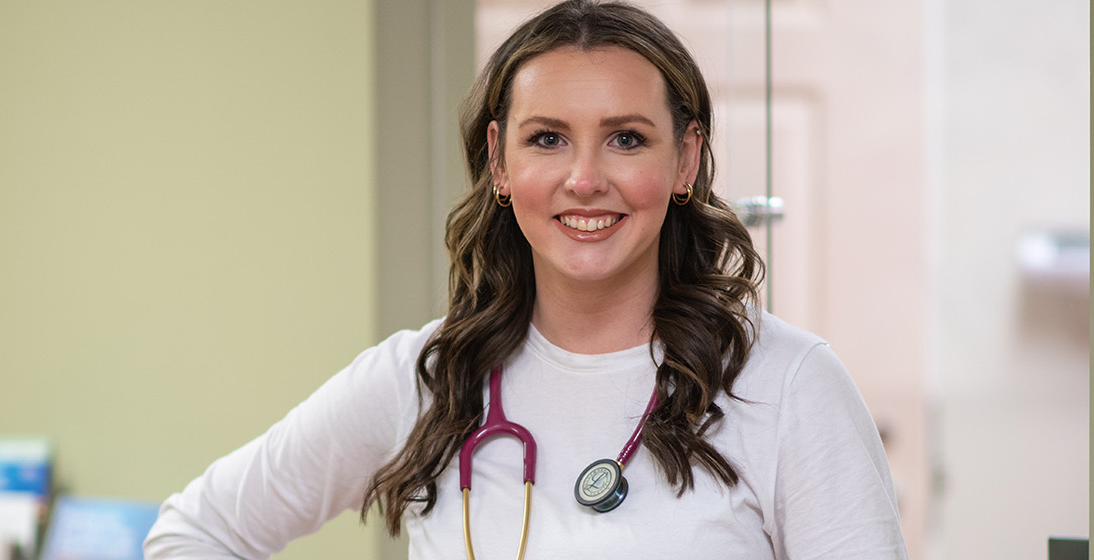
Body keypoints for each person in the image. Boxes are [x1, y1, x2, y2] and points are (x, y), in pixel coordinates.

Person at [144, 1, 906, 558]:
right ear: (501, 162)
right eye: (548, 139)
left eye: (626, 139)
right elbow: (194, 532)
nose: (584, 178)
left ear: (685, 160)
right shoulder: (426, 380)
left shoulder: (791, 388)